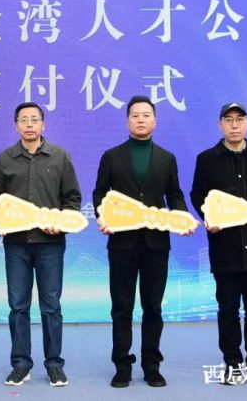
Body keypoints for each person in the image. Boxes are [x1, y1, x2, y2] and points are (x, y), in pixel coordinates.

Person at [93, 95, 193, 388]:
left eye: (146, 115)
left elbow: (174, 194)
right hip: (122, 243)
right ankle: (122, 365)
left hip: (155, 244)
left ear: (155, 121)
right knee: (121, 307)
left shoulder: (166, 157)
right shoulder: (112, 156)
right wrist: (103, 216)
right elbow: (100, 193)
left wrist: (182, 218)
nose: (140, 119)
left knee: (153, 307)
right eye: (135, 115)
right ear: (127, 121)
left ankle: (151, 365)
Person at [190, 102, 247, 387]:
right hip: (225, 248)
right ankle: (232, 364)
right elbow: (197, 195)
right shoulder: (207, 159)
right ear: (220, 124)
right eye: (228, 120)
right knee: (227, 310)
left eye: (239, 119)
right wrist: (208, 216)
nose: (234, 125)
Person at [0, 102, 81, 387]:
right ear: (16, 125)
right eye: (23, 120)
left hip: (50, 243)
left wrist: (62, 222)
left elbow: (72, 199)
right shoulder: (5, 158)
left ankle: (54, 365)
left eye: (34, 119)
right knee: (18, 306)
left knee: (51, 306)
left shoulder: (59, 156)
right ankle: (20, 365)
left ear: (43, 124)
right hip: (16, 244)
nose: (29, 124)